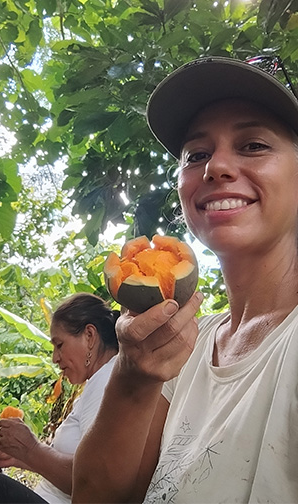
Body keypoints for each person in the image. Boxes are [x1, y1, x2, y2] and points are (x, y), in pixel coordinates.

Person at [73, 56, 298, 502]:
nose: (216, 167)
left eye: (253, 145)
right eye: (197, 155)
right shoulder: (186, 344)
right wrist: (134, 375)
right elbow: (99, 496)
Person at [0, 293, 120, 504]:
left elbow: (95, 482)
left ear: (89, 336)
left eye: (59, 345)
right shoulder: (99, 381)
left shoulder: (107, 380)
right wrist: (20, 457)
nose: (55, 358)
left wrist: (32, 450)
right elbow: (77, 468)